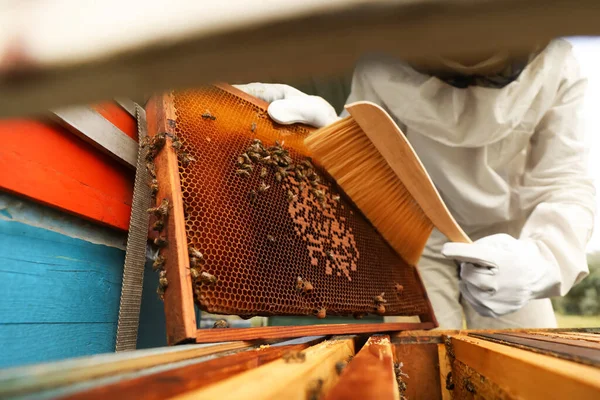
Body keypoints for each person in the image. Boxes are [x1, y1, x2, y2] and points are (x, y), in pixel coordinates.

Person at [235, 38, 596, 329]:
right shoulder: (382, 61)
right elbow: (370, 151)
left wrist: (541, 261)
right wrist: (330, 135)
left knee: (524, 364)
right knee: (420, 354)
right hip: (417, 235)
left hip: (509, 242)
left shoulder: (559, 67)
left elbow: (567, 181)